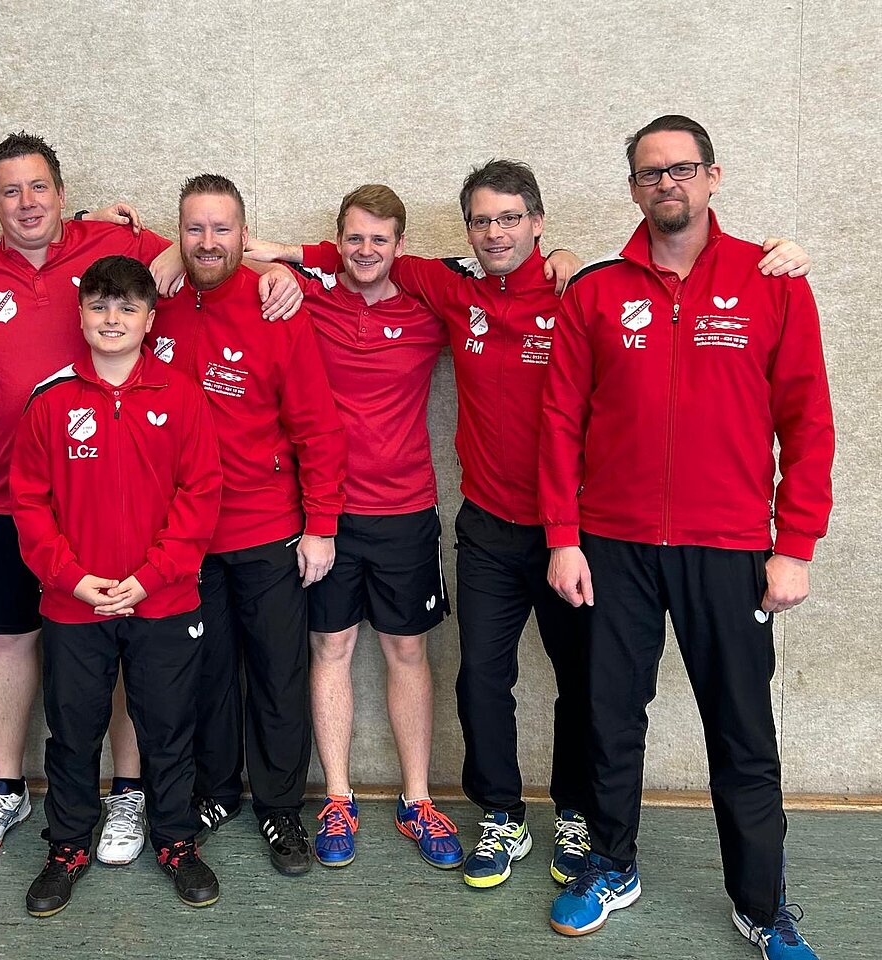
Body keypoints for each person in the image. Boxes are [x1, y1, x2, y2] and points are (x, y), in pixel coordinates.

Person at [255, 162, 811, 892]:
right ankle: (501, 815)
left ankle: (575, 813)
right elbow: (364, 254)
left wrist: (777, 254)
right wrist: (286, 259)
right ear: (466, 231)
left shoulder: (578, 290)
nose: (496, 233)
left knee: (585, 683)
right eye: (482, 221)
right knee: (482, 678)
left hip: (571, 533)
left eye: (511, 218)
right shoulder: (449, 288)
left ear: (538, 223)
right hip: (487, 526)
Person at [540, 115, 832, 960]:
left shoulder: (772, 282)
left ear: (713, 176)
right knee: (608, 719)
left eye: (681, 168)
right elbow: (559, 422)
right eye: (650, 172)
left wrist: (796, 544)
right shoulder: (596, 291)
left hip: (730, 547)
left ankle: (762, 905)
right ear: (633, 187)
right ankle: (611, 865)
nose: (666, 183)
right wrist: (564, 536)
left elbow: (807, 421)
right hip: (613, 545)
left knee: (742, 732)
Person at [0, 131, 174, 866]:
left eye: (39, 187)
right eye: (10, 191)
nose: (27, 203)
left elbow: (197, 254)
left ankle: (128, 792)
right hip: (10, 499)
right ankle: (7, 787)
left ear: (63, 194)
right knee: (10, 640)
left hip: (107, 501)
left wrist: (279, 270)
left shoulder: (114, 244)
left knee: (121, 639)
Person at [254, 185, 463, 871]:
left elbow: (501, 276)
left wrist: (566, 259)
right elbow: (227, 263)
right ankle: (339, 798)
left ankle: (416, 800)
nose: (366, 250)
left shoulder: (428, 308)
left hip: (406, 512)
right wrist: (281, 264)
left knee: (408, 651)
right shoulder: (308, 299)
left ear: (400, 244)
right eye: (354, 238)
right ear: (337, 242)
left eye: (379, 239)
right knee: (331, 648)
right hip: (327, 515)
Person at [10, 255, 223, 913]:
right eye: (100, 306)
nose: (112, 319)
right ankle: (67, 848)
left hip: (163, 600)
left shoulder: (181, 395)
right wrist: (72, 579)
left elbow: (201, 494)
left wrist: (150, 577)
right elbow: (29, 502)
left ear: (150, 319)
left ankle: (177, 842)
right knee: (74, 732)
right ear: (80, 315)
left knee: (168, 728)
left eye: (127, 307)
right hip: (75, 606)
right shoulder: (51, 401)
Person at [150, 174, 347, 876]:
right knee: (204, 673)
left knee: (276, 675)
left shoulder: (275, 305)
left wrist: (321, 524)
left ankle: (280, 806)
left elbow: (318, 428)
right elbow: (97, 241)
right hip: (184, 537)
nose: (207, 241)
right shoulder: (155, 301)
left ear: (243, 233)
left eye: (221, 228)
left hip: (268, 530)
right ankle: (215, 792)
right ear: (177, 233)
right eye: (194, 228)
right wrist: (159, 257)